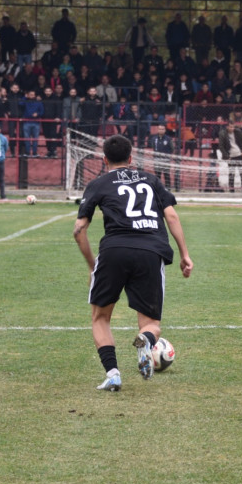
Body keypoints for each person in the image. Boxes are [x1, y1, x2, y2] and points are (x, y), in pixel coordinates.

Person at [74, 134, 193, 392]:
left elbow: (79, 229)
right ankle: (145, 340)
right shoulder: (151, 180)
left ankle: (113, 373)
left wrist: (91, 264)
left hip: (114, 250)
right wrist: (184, 254)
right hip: (151, 252)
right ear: (131, 158)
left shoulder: (98, 183)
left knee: (100, 318)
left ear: (104, 159)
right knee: (152, 324)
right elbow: (171, 216)